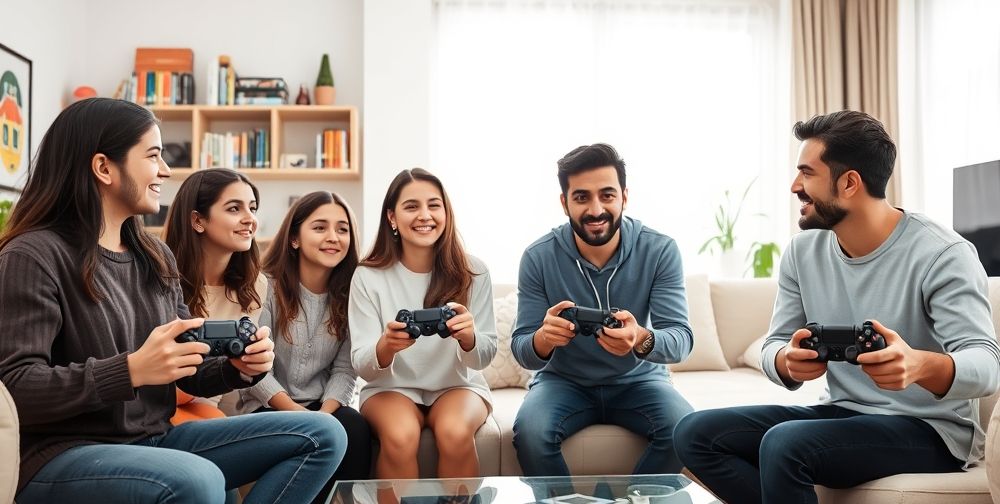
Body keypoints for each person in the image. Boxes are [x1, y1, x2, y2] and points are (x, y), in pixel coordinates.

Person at [0, 98, 346, 504]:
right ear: (103, 167)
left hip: (155, 438)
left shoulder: (154, 255)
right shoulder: (33, 256)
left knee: (323, 434)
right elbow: (15, 387)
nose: (165, 169)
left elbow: (188, 371)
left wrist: (237, 369)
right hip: (64, 453)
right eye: (153, 155)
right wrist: (129, 371)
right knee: (196, 480)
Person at [672, 110, 1000, 504]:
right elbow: (775, 342)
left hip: (931, 430)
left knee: (784, 443)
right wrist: (786, 361)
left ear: (848, 183)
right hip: (845, 413)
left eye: (807, 173)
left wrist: (918, 365)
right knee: (693, 433)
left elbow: (986, 365)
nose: (795, 186)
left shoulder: (943, 253)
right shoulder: (802, 251)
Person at [510, 142, 695, 478]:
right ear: (564, 203)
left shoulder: (660, 250)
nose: (596, 209)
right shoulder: (538, 257)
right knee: (532, 434)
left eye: (607, 195)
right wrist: (543, 339)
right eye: (581, 197)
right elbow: (523, 349)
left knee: (684, 429)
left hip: (640, 382)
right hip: (562, 383)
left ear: (625, 197)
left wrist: (640, 338)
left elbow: (681, 339)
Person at [348, 168, 497, 480]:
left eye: (434, 205)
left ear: (446, 212)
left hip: (458, 385)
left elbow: (483, 357)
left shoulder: (475, 272)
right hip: (390, 388)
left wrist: (469, 338)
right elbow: (362, 365)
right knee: (400, 437)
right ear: (392, 217)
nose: (425, 215)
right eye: (411, 206)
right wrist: (385, 347)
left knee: (455, 433)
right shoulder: (367, 276)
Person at [238, 190, 372, 497]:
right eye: (320, 227)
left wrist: (323, 416)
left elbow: (345, 370)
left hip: (323, 406)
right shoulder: (264, 287)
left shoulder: (352, 295)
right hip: (267, 406)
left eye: (342, 229)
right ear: (295, 238)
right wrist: (299, 413)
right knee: (313, 438)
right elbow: (253, 372)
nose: (333, 237)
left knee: (356, 427)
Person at [162, 168, 268, 424]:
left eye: (252, 208)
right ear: (198, 220)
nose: (249, 219)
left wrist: (252, 365)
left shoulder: (254, 285)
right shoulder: (160, 279)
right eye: (234, 209)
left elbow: (229, 384)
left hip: (210, 409)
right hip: (158, 408)